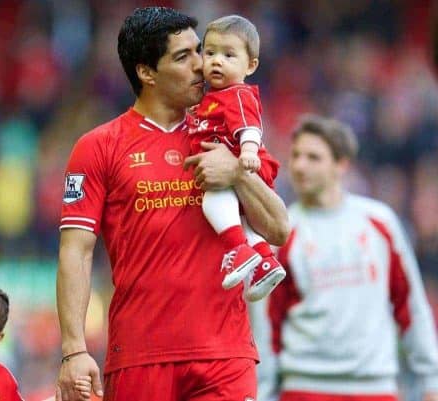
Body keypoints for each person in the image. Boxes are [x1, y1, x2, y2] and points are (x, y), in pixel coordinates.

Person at [56, 6, 289, 401]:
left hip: (225, 356)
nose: (203, 65)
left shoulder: (226, 131)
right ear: (147, 72)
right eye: (184, 57)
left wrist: (236, 172)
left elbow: (279, 228)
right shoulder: (98, 147)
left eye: (200, 51)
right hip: (140, 355)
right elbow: (75, 252)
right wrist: (74, 349)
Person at [254, 114, 438, 401]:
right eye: (296, 156)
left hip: (374, 387)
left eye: (314, 157)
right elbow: (267, 325)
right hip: (306, 387)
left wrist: (432, 380)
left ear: (341, 165)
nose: (300, 166)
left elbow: (410, 306)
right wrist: (263, 391)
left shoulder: (380, 223)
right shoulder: (282, 233)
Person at [187, 15, 285, 300]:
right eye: (210, 53)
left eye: (229, 55)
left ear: (251, 65)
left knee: (213, 199)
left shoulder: (237, 94)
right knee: (240, 220)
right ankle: (265, 261)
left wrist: (248, 152)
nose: (217, 61)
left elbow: (249, 126)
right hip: (236, 165)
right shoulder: (210, 98)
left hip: (243, 164)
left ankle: (237, 250)